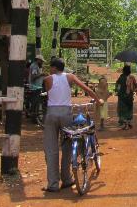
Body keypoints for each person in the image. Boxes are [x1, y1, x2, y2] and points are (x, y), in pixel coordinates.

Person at [42, 57, 103, 193]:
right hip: (66, 114)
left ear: (54, 68)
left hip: (51, 114)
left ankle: (53, 184)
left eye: (50, 67)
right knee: (67, 146)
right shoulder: (70, 77)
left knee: (51, 149)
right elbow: (86, 89)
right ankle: (67, 179)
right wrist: (98, 100)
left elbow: (49, 94)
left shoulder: (48, 79)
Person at [115, 64, 137, 130]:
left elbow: (117, 85)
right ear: (129, 71)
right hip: (129, 96)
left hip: (122, 96)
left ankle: (125, 124)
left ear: (123, 71)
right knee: (129, 109)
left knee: (122, 110)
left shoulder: (121, 77)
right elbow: (136, 86)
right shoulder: (132, 77)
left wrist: (117, 90)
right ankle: (129, 122)